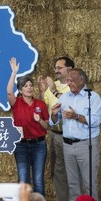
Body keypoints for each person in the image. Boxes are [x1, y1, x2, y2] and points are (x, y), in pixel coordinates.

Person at [50, 68, 101, 201]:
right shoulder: (65, 98)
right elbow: (54, 121)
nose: (68, 83)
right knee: (73, 184)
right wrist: (54, 114)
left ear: (81, 80)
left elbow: (96, 121)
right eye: (68, 80)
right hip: (67, 145)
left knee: (89, 183)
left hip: (86, 145)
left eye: (71, 80)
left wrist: (76, 116)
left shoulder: (93, 97)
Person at [7, 57, 49, 196]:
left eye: (31, 85)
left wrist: (40, 121)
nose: (29, 88)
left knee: (38, 180)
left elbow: (47, 125)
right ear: (20, 89)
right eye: (25, 86)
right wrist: (14, 73)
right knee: (23, 180)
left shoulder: (40, 104)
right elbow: (8, 92)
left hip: (39, 145)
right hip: (21, 145)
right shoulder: (17, 103)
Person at [37, 56, 74, 201]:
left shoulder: (75, 85)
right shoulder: (53, 85)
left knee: (73, 172)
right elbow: (42, 108)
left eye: (59, 67)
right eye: (55, 68)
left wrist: (52, 90)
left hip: (71, 136)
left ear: (69, 69)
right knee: (57, 172)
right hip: (54, 134)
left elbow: (70, 104)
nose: (56, 70)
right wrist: (42, 91)